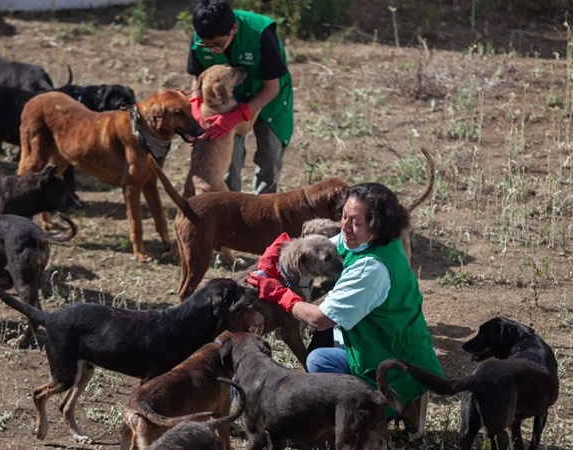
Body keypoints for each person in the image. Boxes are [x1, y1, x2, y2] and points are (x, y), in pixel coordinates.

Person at [247, 182, 444, 428]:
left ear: (377, 224)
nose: (346, 227)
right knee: (323, 342)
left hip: (389, 358)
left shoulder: (372, 268)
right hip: (387, 339)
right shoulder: (372, 241)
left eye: (356, 222)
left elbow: (318, 319)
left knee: (319, 360)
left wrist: (281, 294)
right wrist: (284, 250)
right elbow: (324, 244)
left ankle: (374, 409)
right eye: (343, 216)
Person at [186, 0, 294, 194]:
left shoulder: (260, 33)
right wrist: (195, 108)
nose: (211, 49)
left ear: (234, 29)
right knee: (228, 158)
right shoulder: (202, 36)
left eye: (218, 44)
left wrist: (236, 116)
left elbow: (271, 88)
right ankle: (230, 211)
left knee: (269, 158)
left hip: (268, 97)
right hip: (226, 100)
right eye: (206, 44)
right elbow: (197, 79)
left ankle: (263, 211)